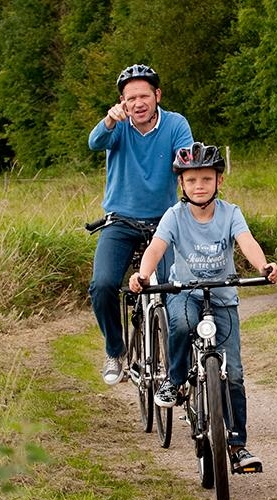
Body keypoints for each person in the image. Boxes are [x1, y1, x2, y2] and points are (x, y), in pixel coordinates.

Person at [128, 142, 277, 470]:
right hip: (186, 292)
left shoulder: (231, 213)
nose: (199, 186)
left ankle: (237, 445)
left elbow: (247, 243)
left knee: (235, 374)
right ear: (181, 184)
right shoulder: (175, 215)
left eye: (206, 179)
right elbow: (157, 248)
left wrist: (264, 267)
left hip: (223, 296)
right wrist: (142, 275)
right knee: (182, 325)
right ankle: (176, 379)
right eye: (192, 180)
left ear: (219, 182)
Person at [88, 64, 194, 385]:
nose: (138, 103)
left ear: (157, 95)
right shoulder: (117, 125)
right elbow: (95, 142)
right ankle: (115, 350)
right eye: (130, 97)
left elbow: (187, 161)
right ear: (122, 101)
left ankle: (181, 367)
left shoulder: (175, 124)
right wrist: (109, 120)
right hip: (120, 221)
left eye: (144, 95)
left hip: (165, 221)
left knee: (177, 289)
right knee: (103, 285)